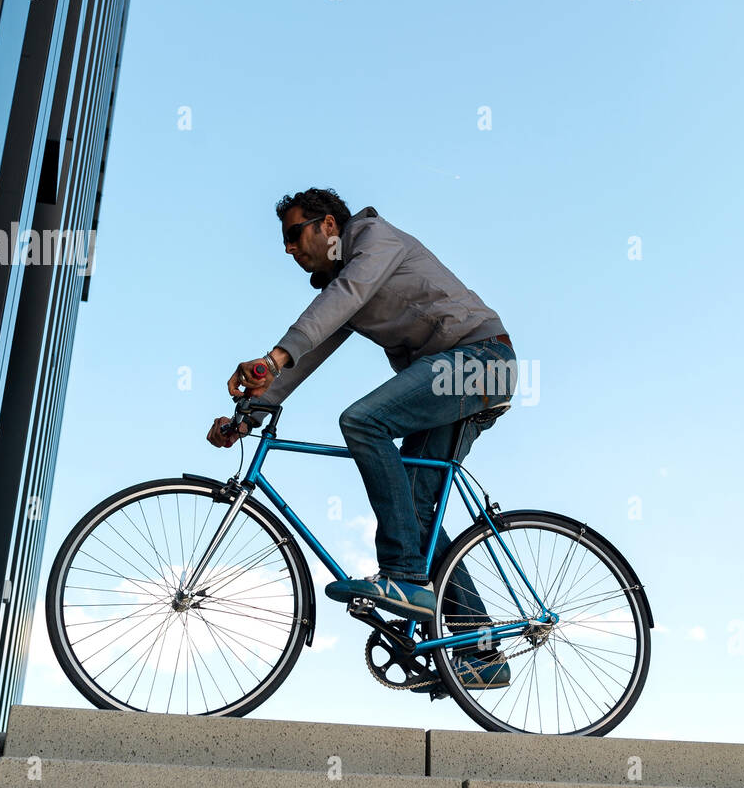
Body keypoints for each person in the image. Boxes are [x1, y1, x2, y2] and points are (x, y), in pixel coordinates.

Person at [206, 188, 515, 689]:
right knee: (417, 520)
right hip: (451, 378)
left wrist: (272, 357)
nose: (288, 249)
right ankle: (481, 652)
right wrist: (249, 415)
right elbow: (312, 345)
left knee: (363, 421)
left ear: (329, 224)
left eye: (293, 234)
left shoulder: (374, 240)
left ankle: (404, 575)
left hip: (479, 362)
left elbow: (340, 301)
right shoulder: (341, 285)